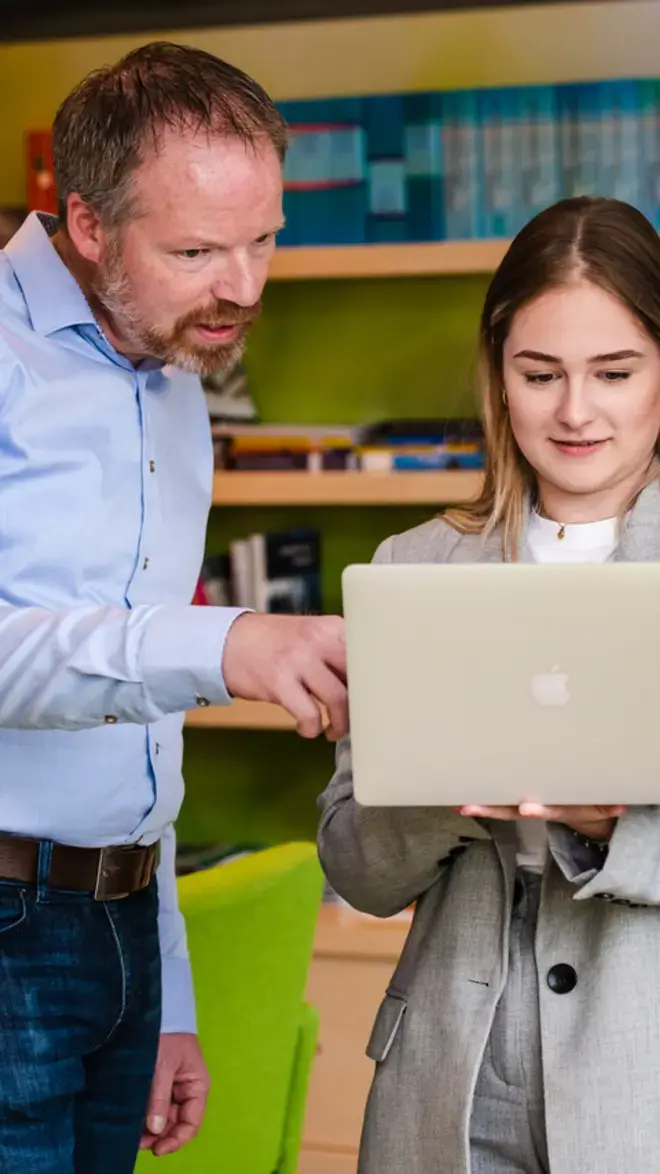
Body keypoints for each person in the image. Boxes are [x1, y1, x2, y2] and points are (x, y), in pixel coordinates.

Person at [0, 41, 347, 1174]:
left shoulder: (172, 365)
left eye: (263, 240)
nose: (243, 286)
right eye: (198, 248)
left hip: (123, 924)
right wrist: (229, 641)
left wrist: (166, 979)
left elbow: (138, 731)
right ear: (89, 224)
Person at [318, 195, 660, 1174]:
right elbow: (354, 864)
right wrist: (442, 794)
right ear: (498, 376)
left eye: (616, 372)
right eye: (540, 374)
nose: (576, 410)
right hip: (451, 1075)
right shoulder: (416, 564)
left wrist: (612, 830)